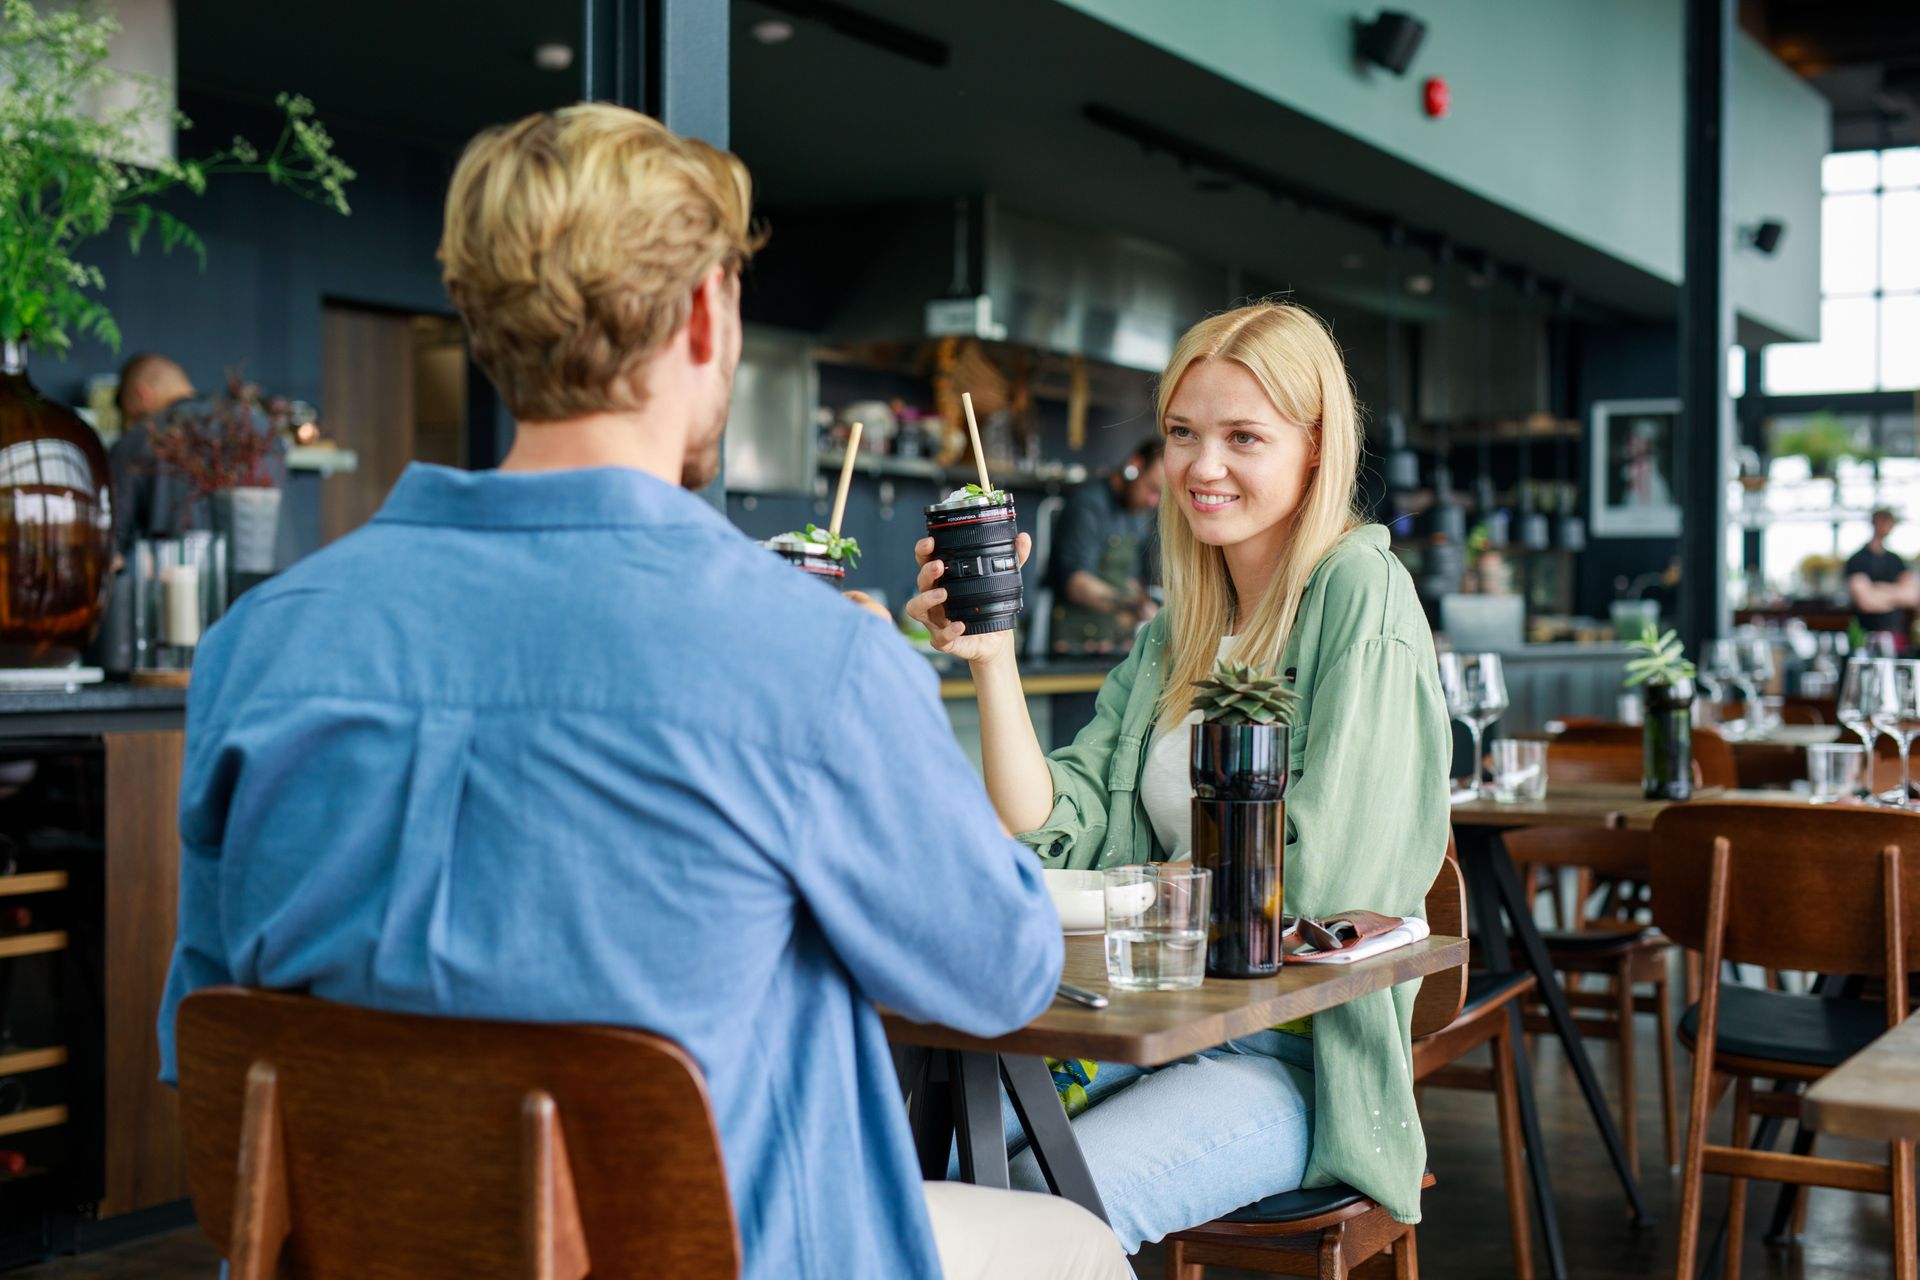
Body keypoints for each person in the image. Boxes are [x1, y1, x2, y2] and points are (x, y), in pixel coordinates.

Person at [154, 104, 1128, 1280]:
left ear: (483, 322)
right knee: (1071, 1242)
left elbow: (204, 1042)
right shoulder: (813, 659)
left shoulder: (257, 644)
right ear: (709, 312)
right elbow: (1002, 973)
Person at [907, 301, 1451, 1252]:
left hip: (1290, 1059)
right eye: (1182, 435)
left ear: (1315, 448)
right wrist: (989, 657)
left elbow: (1319, 888)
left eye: (1244, 436)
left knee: (1041, 1213)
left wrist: (1131, 902)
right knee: (946, 1173)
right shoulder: (1175, 635)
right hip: (1149, 1023)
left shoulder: (1363, 595)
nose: (1204, 467)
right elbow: (1047, 824)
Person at [1049, 438, 1164, 652]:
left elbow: (1130, 579)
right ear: (1135, 466)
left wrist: (1152, 606)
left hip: (1112, 639)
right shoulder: (1088, 504)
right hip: (1073, 641)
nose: (1153, 502)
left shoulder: (1137, 514)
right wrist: (1134, 607)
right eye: (1152, 488)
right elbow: (1076, 583)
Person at [1846, 507, 1916, 645]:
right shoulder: (1857, 559)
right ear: (1876, 523)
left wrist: (1876, 589)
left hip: (1896, 635)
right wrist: (1896, 594)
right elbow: (1865, 602)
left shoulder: (1896, 560)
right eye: (1886, 522)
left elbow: (1912, 597)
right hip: (1866, 637)